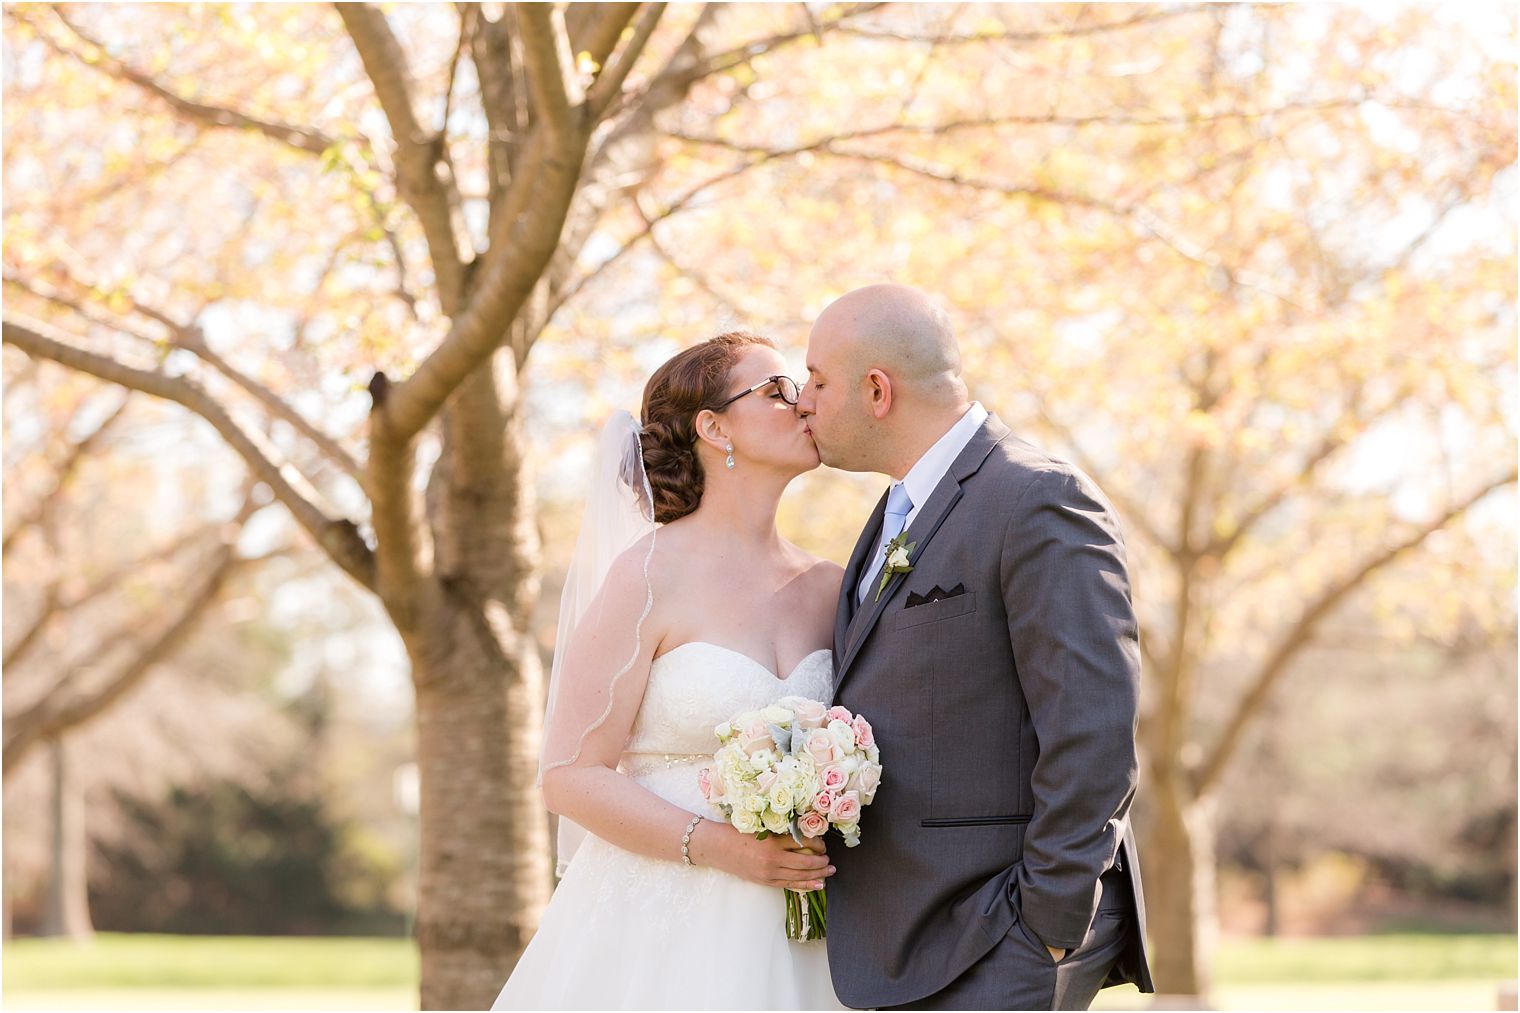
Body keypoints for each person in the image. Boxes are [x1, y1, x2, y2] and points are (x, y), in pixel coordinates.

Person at [796, 284, 1156, 1010]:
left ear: (876, 390)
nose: (803, 399)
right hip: (917, 936)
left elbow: (1093, 731)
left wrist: (1046, 925)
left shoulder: (1037, 499)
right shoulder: (897, 509)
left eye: (817, 379)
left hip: (1000, 934)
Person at [491, 331, 846, 1010]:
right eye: (776, 390)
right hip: (658, 929)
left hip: (808, 929)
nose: (802, 404)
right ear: (714, 427)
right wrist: (720, 847)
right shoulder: (648, 576)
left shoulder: (832, 586)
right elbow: (569, 773)